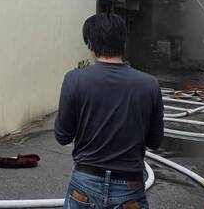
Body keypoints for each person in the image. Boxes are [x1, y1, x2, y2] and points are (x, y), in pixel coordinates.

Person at [55, 12, 163, 209]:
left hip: (84, 184)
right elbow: (155, 142)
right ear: (123, 43)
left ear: (91, 44)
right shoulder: (150, 85)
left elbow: (63, 136)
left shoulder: (74, 80)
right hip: (130, 187)